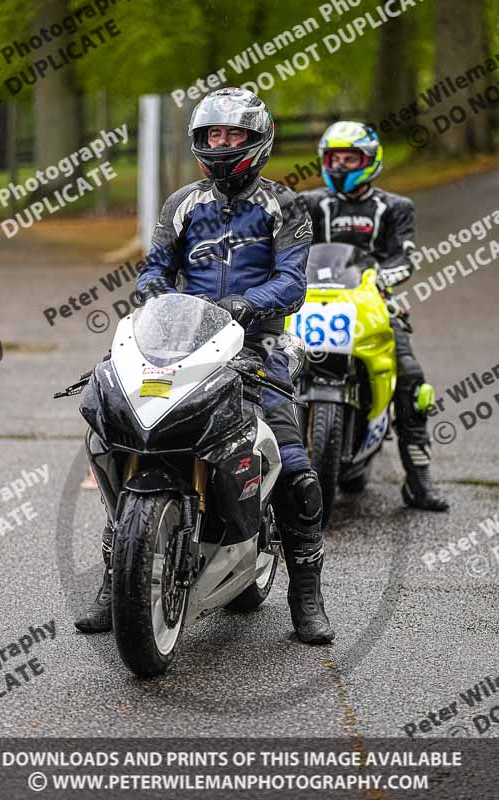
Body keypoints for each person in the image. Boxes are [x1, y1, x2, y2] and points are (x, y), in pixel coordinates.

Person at [75, 87, 335, 644]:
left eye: (232, 135)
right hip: (184, 340)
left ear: (256, 140)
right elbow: (155, 270)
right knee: (121, 435)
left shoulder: (285, 206)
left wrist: (247, 305)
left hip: (257, 347)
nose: (221, 144)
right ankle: (114, 578)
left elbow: (292, 284)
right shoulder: (181, 204)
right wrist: (151, 297)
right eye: (212, 135)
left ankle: (306, 594)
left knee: (294, 469)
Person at [300, 121, 449, 512]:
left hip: (373, 303)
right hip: (311, 303)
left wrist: (383, 279)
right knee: (264, 365)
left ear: (370, 161)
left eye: (352, 158)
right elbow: (291, 251)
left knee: (411, 381)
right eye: (335, 158)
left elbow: (404, 257)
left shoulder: (396, 207)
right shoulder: (310, 205)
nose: (342, 166)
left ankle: (419, 482)